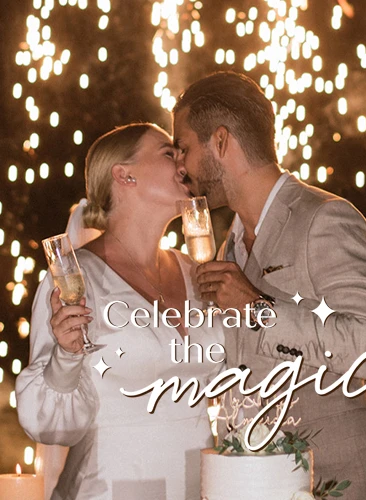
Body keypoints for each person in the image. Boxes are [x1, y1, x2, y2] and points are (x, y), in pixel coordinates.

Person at [172, 72, 366, 499]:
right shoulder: (229, 245)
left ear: (221, 142)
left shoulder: (325, 218)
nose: (180, 166)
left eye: (184, 148)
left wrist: (259, 309)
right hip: (257, 484)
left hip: (338, 482)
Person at [16, 123, 225, 500]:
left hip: (200, 487)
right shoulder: (76, 282)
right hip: (109, 489)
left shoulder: (197, 273)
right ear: (123, 174)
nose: (182, 161)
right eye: (167, 152)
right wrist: (64, 356)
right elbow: (50, 427)